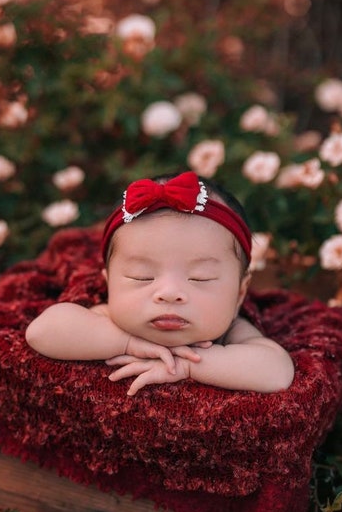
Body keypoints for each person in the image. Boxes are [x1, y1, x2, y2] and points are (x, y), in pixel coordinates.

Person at [25, 170, 295, 396]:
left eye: (200, 278)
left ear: (239, 294)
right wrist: (126, 343)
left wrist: (189, 365)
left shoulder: (231, 330)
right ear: (109, 285)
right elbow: (42, 332)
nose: (169, 293)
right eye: (141, 277)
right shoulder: (108, 319)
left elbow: (277, 371)